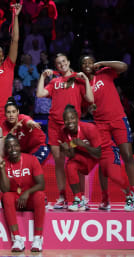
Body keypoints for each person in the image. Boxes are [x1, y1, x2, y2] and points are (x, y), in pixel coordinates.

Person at [80, 55, 134, 211]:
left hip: (118, 119)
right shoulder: (82, 85)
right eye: (84, 63)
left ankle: (132, 194)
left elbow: (124, 67)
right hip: (101, 125)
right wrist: (89, 109)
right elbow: (84, 109)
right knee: (104, 161)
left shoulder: (105, 73)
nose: (87, 64)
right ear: (81, 68)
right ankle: (105, 199)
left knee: (127, 154)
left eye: (90, 62)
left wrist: (102, 62)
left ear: (94, 64)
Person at [36, 53, 93, 209]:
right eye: (58, 63)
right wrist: (42, 76)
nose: (61, 65)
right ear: (56, 66)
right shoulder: (55, 82)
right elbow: (40, 94)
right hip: (55, 126)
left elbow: (90, 99)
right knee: (59, 163)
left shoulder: (78, 79)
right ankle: (62, 197)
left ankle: (81, 197)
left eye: (63, 61)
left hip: (73, 127)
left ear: (68, 62)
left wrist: (86, 79)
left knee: (78, 161)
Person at [58, 105, 132, 211]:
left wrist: (84, 145)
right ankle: (78, 199)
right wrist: (65, 150)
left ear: (77, 118)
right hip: (87, 154)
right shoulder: (64, 132)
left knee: (114, 175)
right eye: (66, 119)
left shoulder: (89, 128)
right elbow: (73, 155)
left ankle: (130, 195)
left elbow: (98, 153)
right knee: (70, 165)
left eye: (72, 118)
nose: (69, 121)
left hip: (105, 150)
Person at [0, 134, 46, 252]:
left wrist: (27, 192)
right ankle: (17, 238)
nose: (13, 149)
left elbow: (41, 184)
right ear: (6, 150)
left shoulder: (31, 160)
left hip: (29, 199)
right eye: (9, 147)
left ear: (20, 146)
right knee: (6, 196)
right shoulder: (4, 163)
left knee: (39, 195)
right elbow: (5, 189)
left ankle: (38, 239)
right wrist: (2, 169)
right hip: (15, 199)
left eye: (15, 146)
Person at [2, 97, 50, 164]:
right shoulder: (4, 125)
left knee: (30, 165)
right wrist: (14, 129)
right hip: (24, 151)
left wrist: (32, 124)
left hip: (39, 147)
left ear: (17, 112)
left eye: (13, 112)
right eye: (8, 112)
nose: (11, 115)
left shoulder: (22, 118)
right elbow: (3, 141)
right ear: (5, 114)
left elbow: (28, 121)